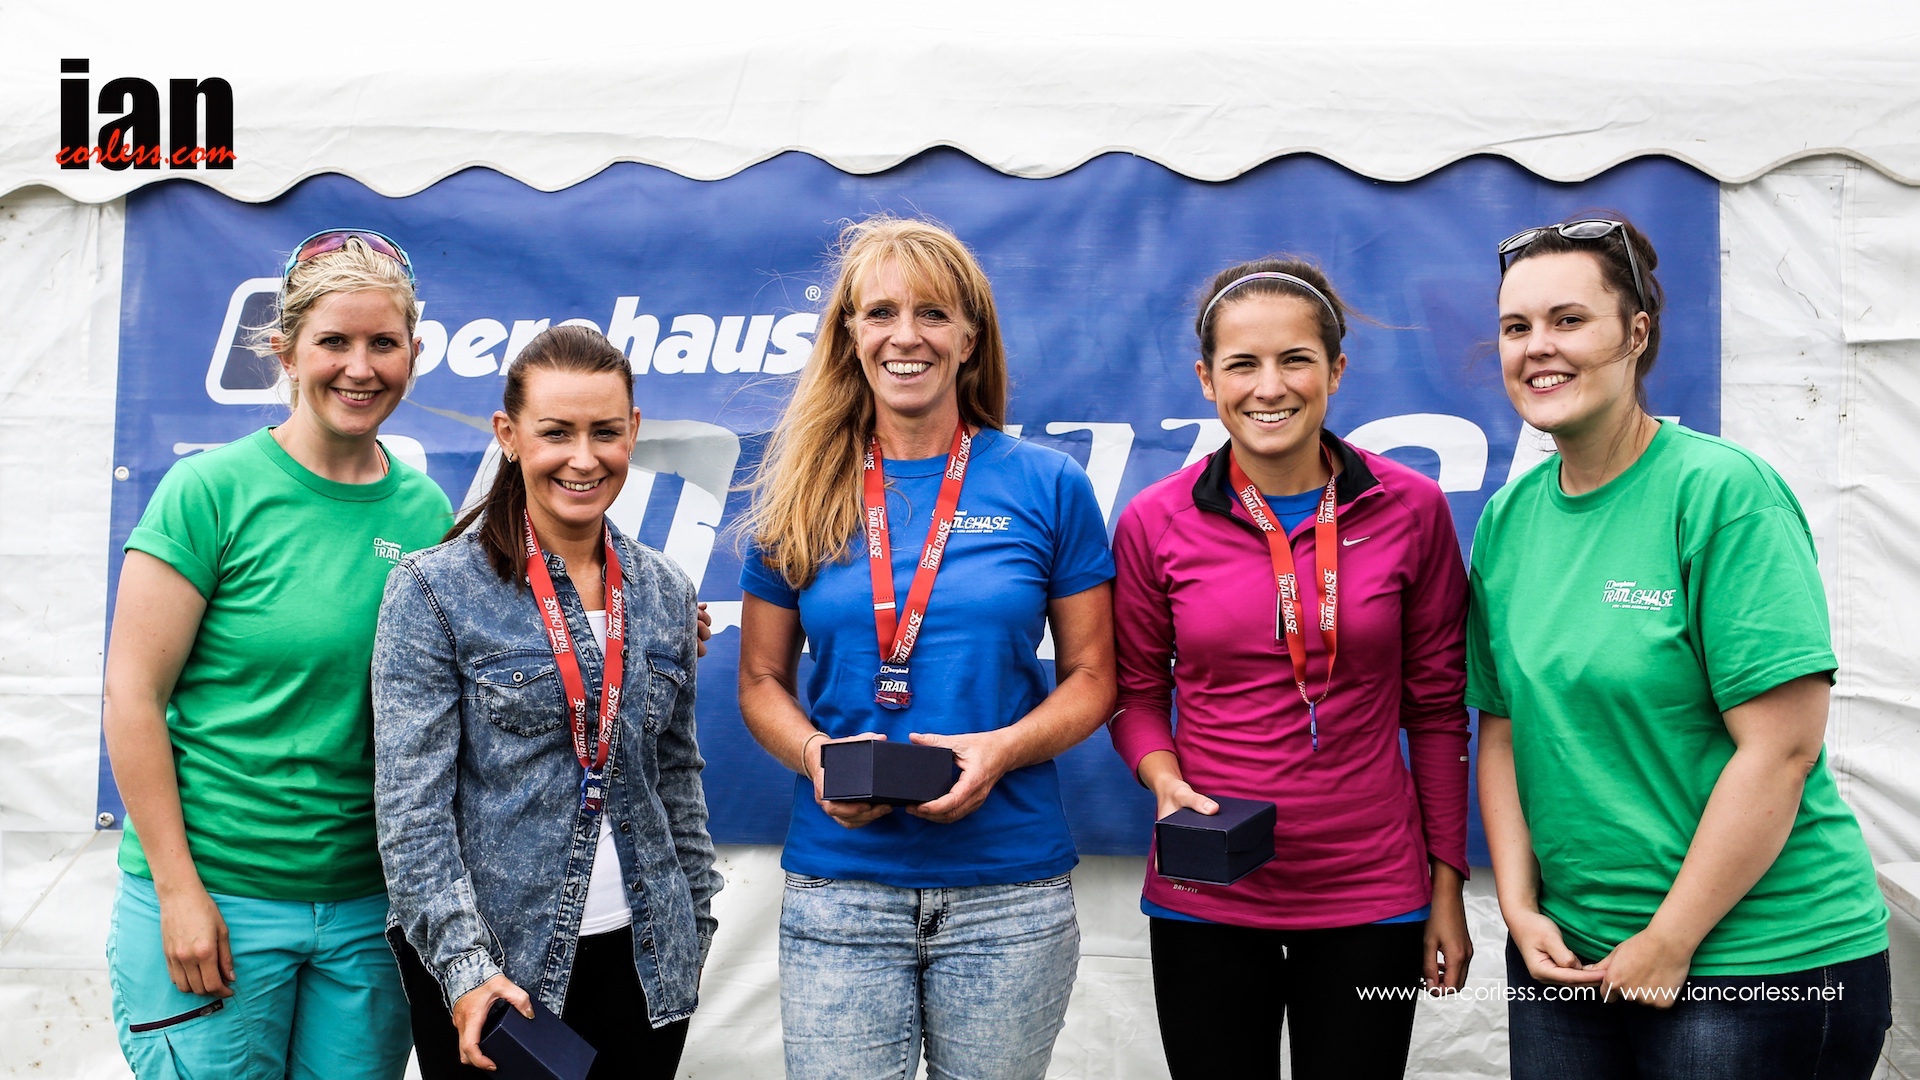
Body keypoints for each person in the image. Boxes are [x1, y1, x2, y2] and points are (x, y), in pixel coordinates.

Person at [1471, 216, 1892, 1079]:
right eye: (1517, 327)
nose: (1538, 347)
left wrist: (1671, 937)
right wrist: (1518, 906)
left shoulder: (1724, 495)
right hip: (1570, 954)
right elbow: (1505, 730)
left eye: (1568, 320)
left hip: (1753, 962)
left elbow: (1780, 751)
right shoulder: (1509, 520)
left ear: (1636, 334)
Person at [734, 215, 1116, 1080]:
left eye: (933, 314)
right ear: (850, 336)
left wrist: (1003, 748)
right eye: (881, 313)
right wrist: (818, 756)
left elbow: (1095, 676)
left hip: (1008, 894)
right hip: (842, 894)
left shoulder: (1047, 483)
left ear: (969, 339)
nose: (906, 336)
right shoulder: (798, 487)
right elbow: (758, 679)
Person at [1107, 257, 1473, 1079]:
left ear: (1335, 371)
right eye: (1242, 364)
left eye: (1295, 360)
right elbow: (1135, 695)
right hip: (1208, 887)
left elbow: (1439, 713)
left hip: (1371, 893)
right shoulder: (1155, 520)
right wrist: (1163, 778)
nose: (1269, 387)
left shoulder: (1410, 508)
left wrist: (1446, 889)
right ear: (1207, 380)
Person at [100, 230, 449, 1078]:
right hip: (217, 898)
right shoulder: (209, 492)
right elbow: (132, 697)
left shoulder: (426, 512)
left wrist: (637, 625)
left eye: (384, 343)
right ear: (285, 351)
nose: (360, 367)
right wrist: (179, 893)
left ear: (412, 353)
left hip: (368, 914)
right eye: (334, 341)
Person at [372, 325, 720, 1079]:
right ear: (509, 435)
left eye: (605, 432)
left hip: (646, 967)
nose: (583, 458)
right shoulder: (434, 589)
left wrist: (694, 925)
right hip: (498, 979)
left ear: (633, 431)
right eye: (556, 432)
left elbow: (677, 780)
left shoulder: (665, 590)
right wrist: (465, 970)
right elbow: (411, 813)